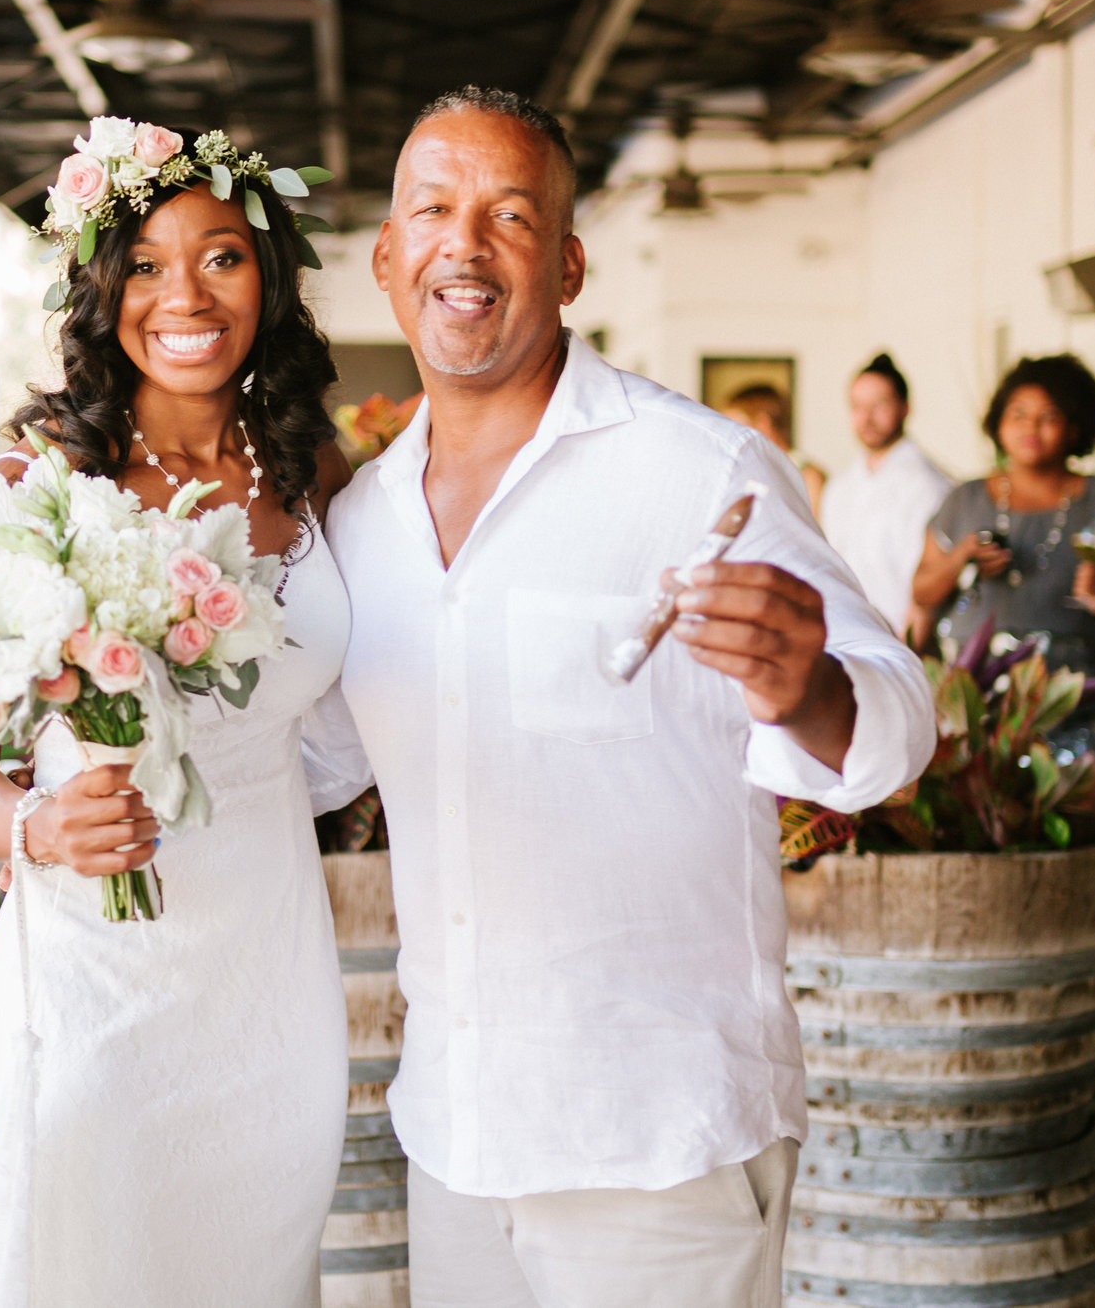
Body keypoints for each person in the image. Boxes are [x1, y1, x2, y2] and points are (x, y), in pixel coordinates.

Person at [304, 86, 934, 1308]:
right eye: (431, 208)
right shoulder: (360, 526)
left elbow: (897, 723)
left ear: (570, 263)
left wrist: (803, 688)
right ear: (385, 257)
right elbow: (313, 760)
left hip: (662, 1148)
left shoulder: (695, 467)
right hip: (454, 1133)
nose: (464, 242)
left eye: (511, 214)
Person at [0, 122, 352, 1307]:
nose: (183, 294)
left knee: (257, 1257)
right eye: (144, 263)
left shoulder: (316, 476)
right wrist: (36, 826)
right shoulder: (24, 489)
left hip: (271, 962)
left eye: (220, 257)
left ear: (269, 278)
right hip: (100, 958)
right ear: (102, 290)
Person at [908, 353, 1095, 802]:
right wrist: (961, 559)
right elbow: (922, 591)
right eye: (1018, 414)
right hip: (981, 704)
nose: (1031, 428)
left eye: (1049, 417)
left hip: (1085, 702)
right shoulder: (963, 502)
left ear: (1077, 427)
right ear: (998, 424)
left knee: (1083, 837)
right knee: (984, 834)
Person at [819, 354, 953, 638]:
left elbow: (929, 583)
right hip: (841, 636)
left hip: (898, 643)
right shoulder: (840, 486)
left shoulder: (929, 485)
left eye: (879, 404)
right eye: (857, 406)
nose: (866, 417)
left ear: (905, 408)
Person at [721, 382, 826, 511]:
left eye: (737, 427)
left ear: (763, 422)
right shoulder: (742, 474)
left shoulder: (808, 477)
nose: (731, 437)